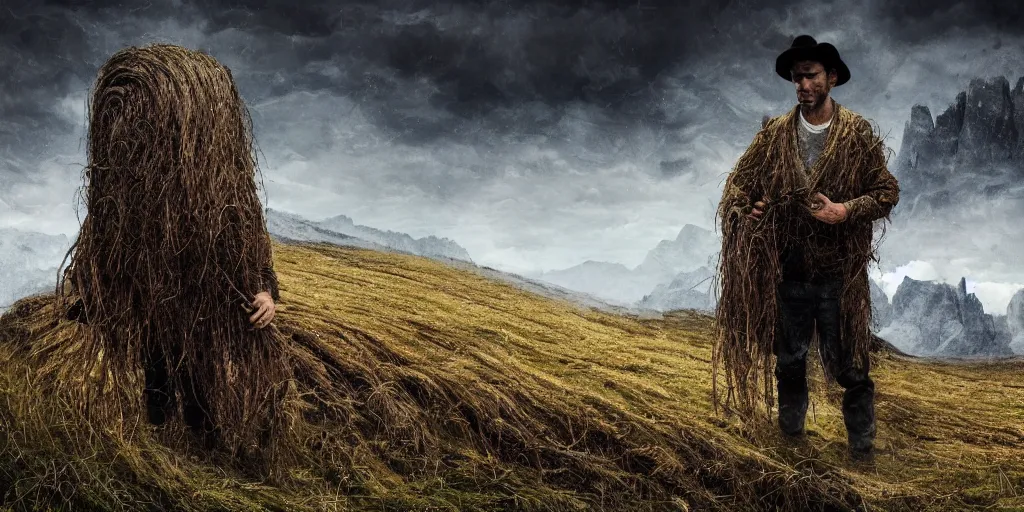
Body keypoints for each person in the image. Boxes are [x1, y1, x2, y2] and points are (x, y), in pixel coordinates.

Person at [713, 35, 900, 460]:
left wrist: (846, 210)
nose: (802, 84)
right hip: (790, 273)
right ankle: (790, 441)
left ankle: (862, 450)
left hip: (839, 277)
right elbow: (740, 185)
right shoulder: (775, 135)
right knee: (790, 360)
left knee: (849, 365)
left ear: (831, 78)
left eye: (811, 75)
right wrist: (751, 206)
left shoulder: (857, 133)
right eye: (797, 77)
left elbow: (886, 191)